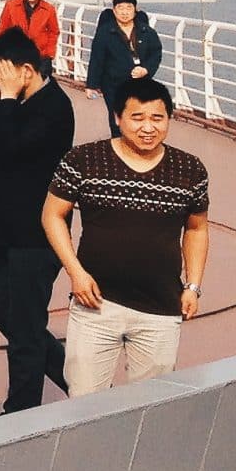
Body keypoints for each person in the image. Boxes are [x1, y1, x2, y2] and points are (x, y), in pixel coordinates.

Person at [44, 81, 209, 392]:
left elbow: (197, 228)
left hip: (161, 310)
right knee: (84, 404)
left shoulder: (190, 169)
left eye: (157, 118)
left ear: (169, 119)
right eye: (137, 118)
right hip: (95, 305)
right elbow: (52, 214)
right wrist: (75, 273)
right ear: (118, 117)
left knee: (151, 409)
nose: (148, 127)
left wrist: (193, 286)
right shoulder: (84, 160)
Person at [0, 32, 75, 411]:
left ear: (26, 71)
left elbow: (11, 146)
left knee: (25, 332)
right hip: (8, 233)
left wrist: (8, 99)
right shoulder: (14, 101)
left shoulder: (54, 108)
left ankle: (21, 412)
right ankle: (79, 380)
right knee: (7, 317)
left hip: (37, 237)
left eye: (0, 73)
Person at [86, 0, 163, 127]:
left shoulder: (146, 31)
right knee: (117, 116)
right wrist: (91, 85)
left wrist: (146, 69)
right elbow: (97, 59)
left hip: (140, 82)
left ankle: (134, 145)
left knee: (138, 114)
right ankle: (117, 143)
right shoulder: (105, 32)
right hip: (112, 83)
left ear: (135, 10)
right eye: (120, 8)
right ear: (114, 11)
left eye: (129, 8)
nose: (125, 12)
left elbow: (155, 53)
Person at [0, 0, 61, 66]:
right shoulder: (11, 5)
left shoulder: (49, 10)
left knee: (40, 79)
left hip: (40, 55)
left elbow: (54, 32)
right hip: (15, 54)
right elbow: (2, 29)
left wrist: (49, 54)